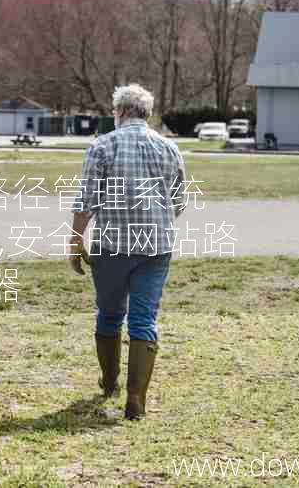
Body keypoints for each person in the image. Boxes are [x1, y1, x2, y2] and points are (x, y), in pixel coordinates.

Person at [69, 84, 187, 420]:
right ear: (146, 113)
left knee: (109, 314)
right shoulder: (169, 148)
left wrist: (75, 241)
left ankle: (109, 383)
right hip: (156, 247)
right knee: (144, 319)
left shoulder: (102, 146)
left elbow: (86, 201)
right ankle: (136, 400)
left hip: (110, 246)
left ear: (119, 112)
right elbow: (178, 202)